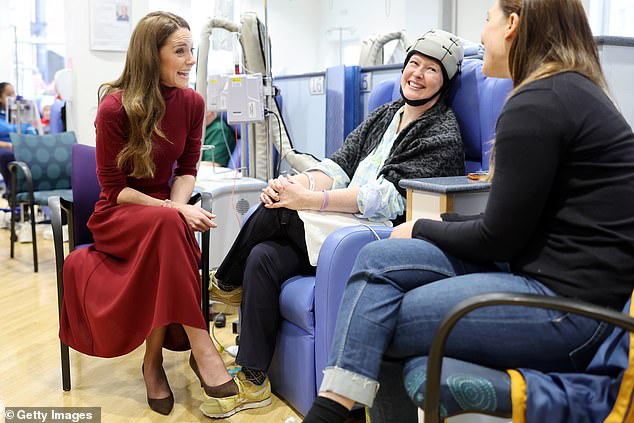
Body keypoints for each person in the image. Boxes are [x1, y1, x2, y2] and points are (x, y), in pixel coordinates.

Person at [297, 1, 634, 423]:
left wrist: (421, 226)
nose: (482, 36)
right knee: (378, 257)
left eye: (486, 21)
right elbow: (511, 224)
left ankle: (331, 411)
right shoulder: (564, 91)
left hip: (569, 312)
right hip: (548, 282)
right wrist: (429, 228)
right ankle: (337, 408)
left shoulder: (538, 101)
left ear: (512, 25)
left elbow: (498, 238)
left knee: (377, 321)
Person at [202, 29, 466, 418]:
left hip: (375, 233)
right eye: (413, 63)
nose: (417, 74)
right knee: (263, 255)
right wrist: (296, 184)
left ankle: (223, 284)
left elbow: (391, 198)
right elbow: (337, 166)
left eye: (431, 69)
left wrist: (307, 200)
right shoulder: (384, 115)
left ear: (445, 81)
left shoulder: (443, 132)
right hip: (337, 221)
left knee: (280, 211)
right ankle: (254, 379)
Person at [58, 11, 241, 416]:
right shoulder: (114, 108)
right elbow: (112, 188)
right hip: (118, 214)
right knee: (169, 224)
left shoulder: (192, 104)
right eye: (180, 51)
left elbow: (188, 169)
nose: (191, 59)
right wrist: (173, 209)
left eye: (191, 49)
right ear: (150, 55)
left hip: (163, 217)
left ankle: (152, 363)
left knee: (167, 230)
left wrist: (172, 208)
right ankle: (201, 343)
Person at [0, 82, 36, 194]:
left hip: (24, 146)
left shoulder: (22, 114)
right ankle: (14, 192)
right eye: (8, 94)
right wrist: (9, 145)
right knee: (8, 155)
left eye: (13, 93)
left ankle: (32, 191)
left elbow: (32, 133)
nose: (13, 97)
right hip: (5, 148)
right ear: (0, 98)